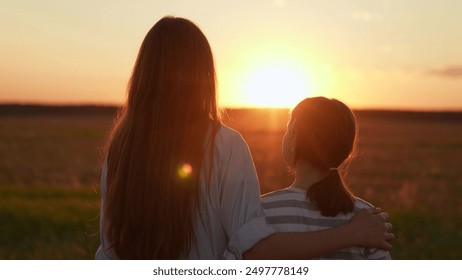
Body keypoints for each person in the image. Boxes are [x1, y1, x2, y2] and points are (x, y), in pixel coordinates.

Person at [95, 16, 394, 260]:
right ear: (203, 77)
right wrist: (352, 234)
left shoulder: (122, 147)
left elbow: (108, 249)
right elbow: (253, 249)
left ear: (144, 75)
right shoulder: (224, 146)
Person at [261, 97, 391, 259]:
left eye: (287, 128)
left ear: (293, 133)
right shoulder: (368, 219)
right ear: (347, 151)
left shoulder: (262, 210)